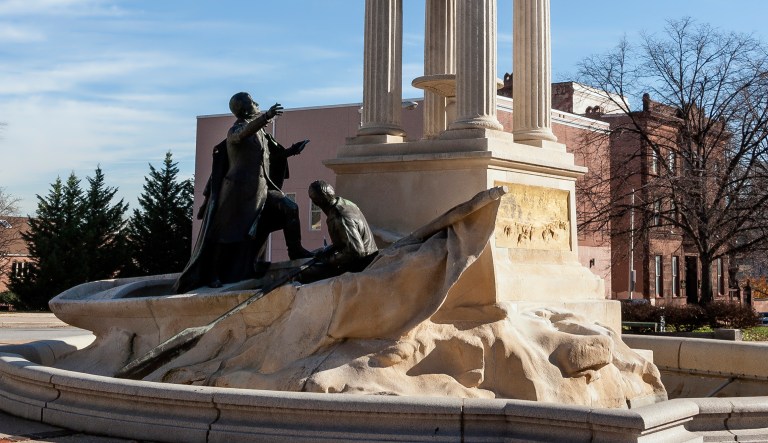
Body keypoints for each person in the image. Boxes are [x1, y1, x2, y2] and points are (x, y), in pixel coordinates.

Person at [173, 92, 312, 293]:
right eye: (254, 102)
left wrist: (292, 150)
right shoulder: (236, 130)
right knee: (226, 234)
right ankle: (213, 273)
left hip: (262, 190)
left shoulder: (262, 134)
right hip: (236, 192)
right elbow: (242, 134)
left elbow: (272, 157)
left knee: (289, 208)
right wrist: (266, 117)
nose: (257, 104)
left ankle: (295, 250)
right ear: (246, 109)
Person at [298, 180, 378, 283]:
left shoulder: (339, 217)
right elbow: (345, 241)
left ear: (316, 202)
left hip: (360, 266)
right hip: (366, 258)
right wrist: (327, 251)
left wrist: (329, 260)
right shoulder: (346, 203)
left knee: (303, 275)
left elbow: (356, 251)